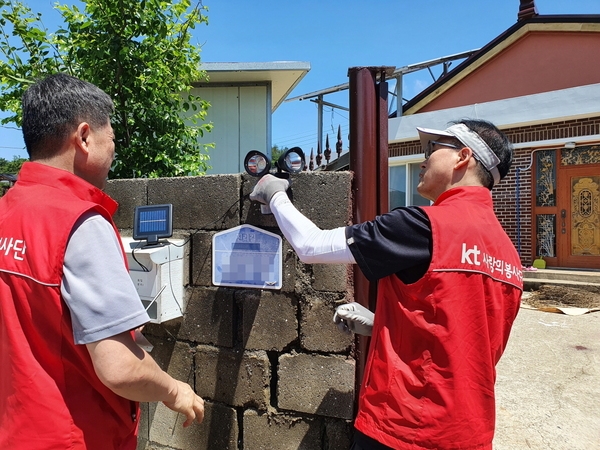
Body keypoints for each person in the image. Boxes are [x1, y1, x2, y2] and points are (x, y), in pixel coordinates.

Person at [250, 118, 523, 450]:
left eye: (433, 149)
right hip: (471, 433)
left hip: (404, 428)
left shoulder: (423, 226)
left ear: (463, 157)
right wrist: (382, 323)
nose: (424, 159)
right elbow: (459, 332)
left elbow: (311, 246)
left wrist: (275, 196)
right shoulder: (507, 252)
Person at [0, 73, 204, 450]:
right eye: (111, 140)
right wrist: (174, 390)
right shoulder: (81, 222)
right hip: (74, 434)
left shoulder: (5, 211)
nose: (113, 153)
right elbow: (121, 369)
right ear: (83, 137)